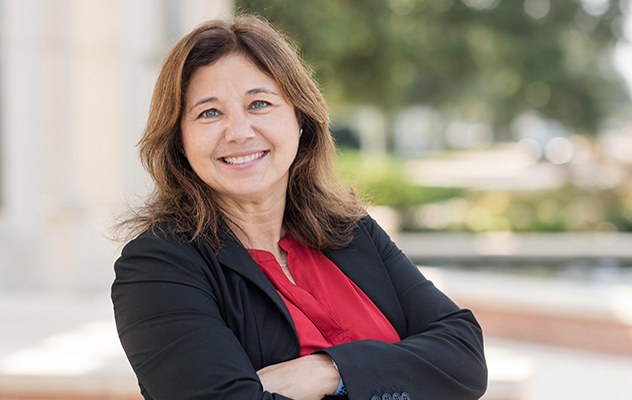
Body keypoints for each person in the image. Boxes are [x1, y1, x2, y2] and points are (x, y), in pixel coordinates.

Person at [111, 15, 487, 400]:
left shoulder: (351, 231)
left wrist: (329, 371)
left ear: (300, 119)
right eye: (209, 112)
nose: (239, 132)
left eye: (259, 103)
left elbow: (464, 356)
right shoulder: (156, 269)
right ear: (180, 141)